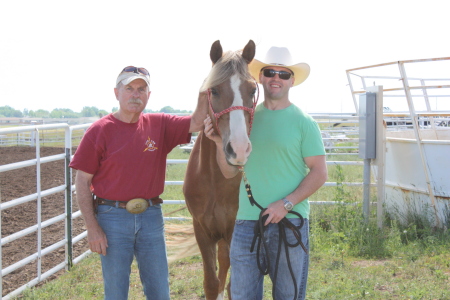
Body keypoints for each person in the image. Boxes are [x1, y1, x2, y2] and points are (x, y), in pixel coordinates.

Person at [69, 66, 206, 300]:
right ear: (116, 93)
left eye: (141, 89)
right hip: (112, 217)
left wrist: (206, 89)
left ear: (149, 95)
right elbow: (82, 181)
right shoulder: (99, 131)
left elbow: (197, 122)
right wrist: (92, 227)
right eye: (129, 88)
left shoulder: (159, 124)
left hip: (151, 216)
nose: (135, 94)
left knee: (159, 290)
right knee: (115, 291)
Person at [204, 46, 328, 299]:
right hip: (247, 223)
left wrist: (286, 204)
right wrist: (219, 144)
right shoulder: (245, 120)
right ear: (259, 77)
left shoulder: (304, 123)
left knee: (288, 296)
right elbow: (229, 173)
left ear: (292, 80)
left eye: (284, 74)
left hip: (290, 221)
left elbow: (319, 173)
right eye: (270, 72)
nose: (276, 78)